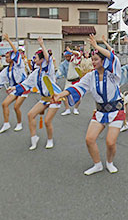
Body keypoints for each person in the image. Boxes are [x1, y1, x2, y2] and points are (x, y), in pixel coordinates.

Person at [53, 34, 124, 175]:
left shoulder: (114, 75)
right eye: (92, 59)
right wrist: (60, 95)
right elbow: (77, 87)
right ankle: (97, 164)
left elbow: (113, 58)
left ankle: (109, 162)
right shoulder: (90, 76)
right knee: (89, 139)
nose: (93, 62)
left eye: (96, 59)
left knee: (110, 142)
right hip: (99, 112)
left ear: (104, 62)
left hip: (116, 111)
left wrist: (97, 47)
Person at [9, 37, 61, 150]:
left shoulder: (49, 70)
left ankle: (50, 140)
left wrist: (42, 45)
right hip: (44, 98)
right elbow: (26, 84)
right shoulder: (36, 72)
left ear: (42, 60)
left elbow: (48, 58)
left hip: (54, 97)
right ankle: (34, 138)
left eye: (36, 57)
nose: (34, 59)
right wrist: (14, 88)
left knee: (47, 121)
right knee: (30, 115)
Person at [61, 47, 82, 115]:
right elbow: (60, 70)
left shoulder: (74, 59)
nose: (67, 58)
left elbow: (78, 54)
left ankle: (76, 108)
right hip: (68, 81)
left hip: (76, 81)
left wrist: (71, 51)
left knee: (79, 95)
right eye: (66, 56)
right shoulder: (64, 63)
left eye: (68, 56)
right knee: (64, 95)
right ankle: (67, 109)